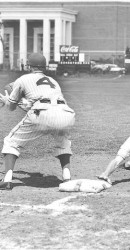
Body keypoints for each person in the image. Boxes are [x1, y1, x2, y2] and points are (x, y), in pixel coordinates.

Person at [0, 53, 75, 190]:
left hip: (42, 112)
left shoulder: (23, 79)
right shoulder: (53, 81)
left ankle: (7, 179)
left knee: (11, 142)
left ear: (29, 66)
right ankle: (67, 177)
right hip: (66, 113)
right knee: (63, 142)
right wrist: (24, 103)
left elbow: (11, 107)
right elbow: (38, 105)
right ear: (44, 67)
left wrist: (7, 101)